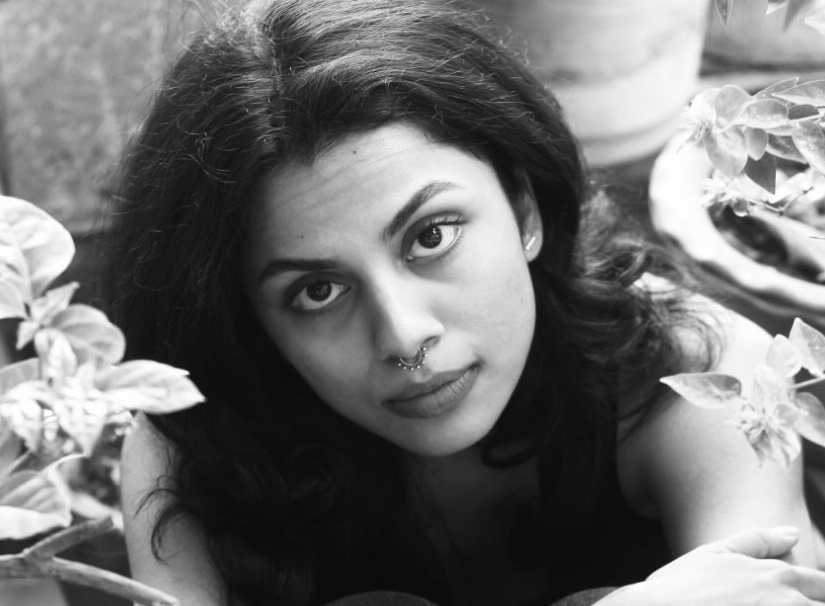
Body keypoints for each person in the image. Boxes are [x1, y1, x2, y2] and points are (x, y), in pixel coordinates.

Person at [106, 0, 825, 604]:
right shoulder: (194, 437)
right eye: (317, 291)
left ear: (523, 209)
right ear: (251, 318)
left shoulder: (703, 372)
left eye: (432, 237)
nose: (403, 335)